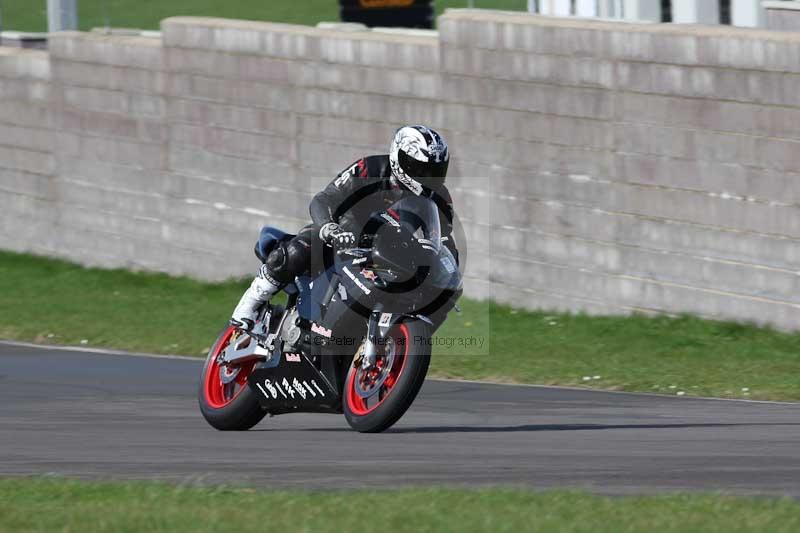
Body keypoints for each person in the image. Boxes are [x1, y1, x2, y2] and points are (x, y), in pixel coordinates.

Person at [230, 124, 459, 331]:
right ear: (401, 159)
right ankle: (249, 305)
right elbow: (324, 199)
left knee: (446, 292)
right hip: (345, 235)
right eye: (421, 169)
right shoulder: (370, 168)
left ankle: (409, 338)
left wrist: (448, 276)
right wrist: (329, 227)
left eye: (436, 170)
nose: (429, 177)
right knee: (298, 250)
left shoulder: (439, 198)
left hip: (391, 253)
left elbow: (446, 241)